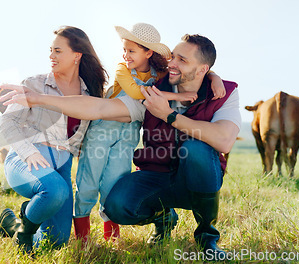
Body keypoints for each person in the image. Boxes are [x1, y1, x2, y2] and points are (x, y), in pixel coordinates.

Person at [0, 34, 240, 260]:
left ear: (202, 70)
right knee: (111, 207)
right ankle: (163, 215)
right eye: (173, 56)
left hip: (197, 182)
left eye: (181, 59)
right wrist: (36, 98)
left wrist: (170, 115)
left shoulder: (224, 92)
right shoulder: (153, 92)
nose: (172, 63)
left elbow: (224, 140)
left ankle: (207, 238)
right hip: (158, 176)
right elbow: (99, 108)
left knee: (197, 147)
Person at [73, 23, 226, 243]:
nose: (125, 54)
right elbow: (138, 92)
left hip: (127, 137)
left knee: (112, 184)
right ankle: (82, 240)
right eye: (124, 49)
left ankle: (112, 240)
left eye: (131, 50)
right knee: (88, 183)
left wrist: (214, 78)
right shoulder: (122, 69)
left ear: (148, 52)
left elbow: (197, 66)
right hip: (103, 129)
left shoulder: (161, 73)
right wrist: (177, 97)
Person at [0, 26, 108, 254]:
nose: (51, 56)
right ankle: (24, 235)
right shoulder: (34, 84)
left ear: (77, 55)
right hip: (25, 160)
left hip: (61, 164)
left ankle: (11, 223)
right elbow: (7, 123)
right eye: (50, 50)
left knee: (56, 241)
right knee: (55, 191)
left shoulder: (88, 95)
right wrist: (29, 153)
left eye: (58, 51)